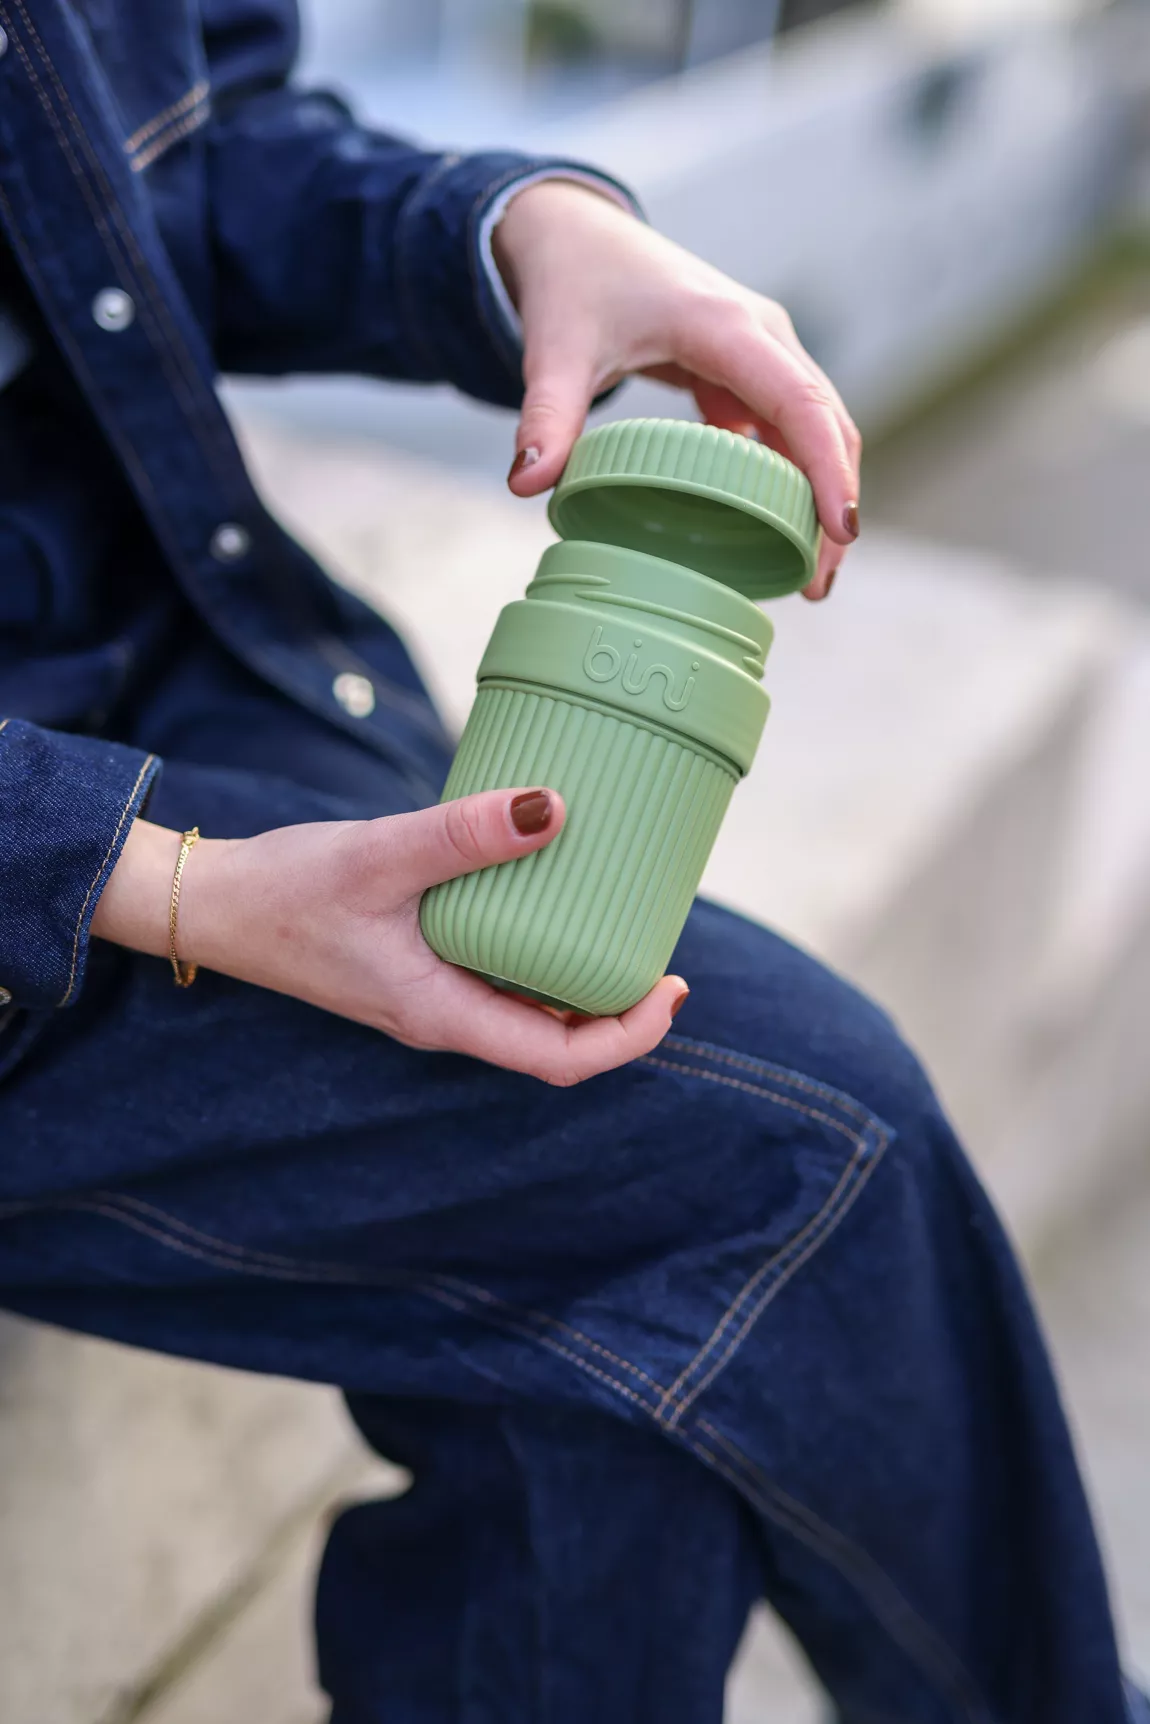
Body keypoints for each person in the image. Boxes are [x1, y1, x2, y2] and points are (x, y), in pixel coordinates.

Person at [0, 3, 1142, 1720]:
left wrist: (527, 229)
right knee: (798, 1154)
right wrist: (158, 885)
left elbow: (191, 148)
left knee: (611, 1392)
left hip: (160, 661)